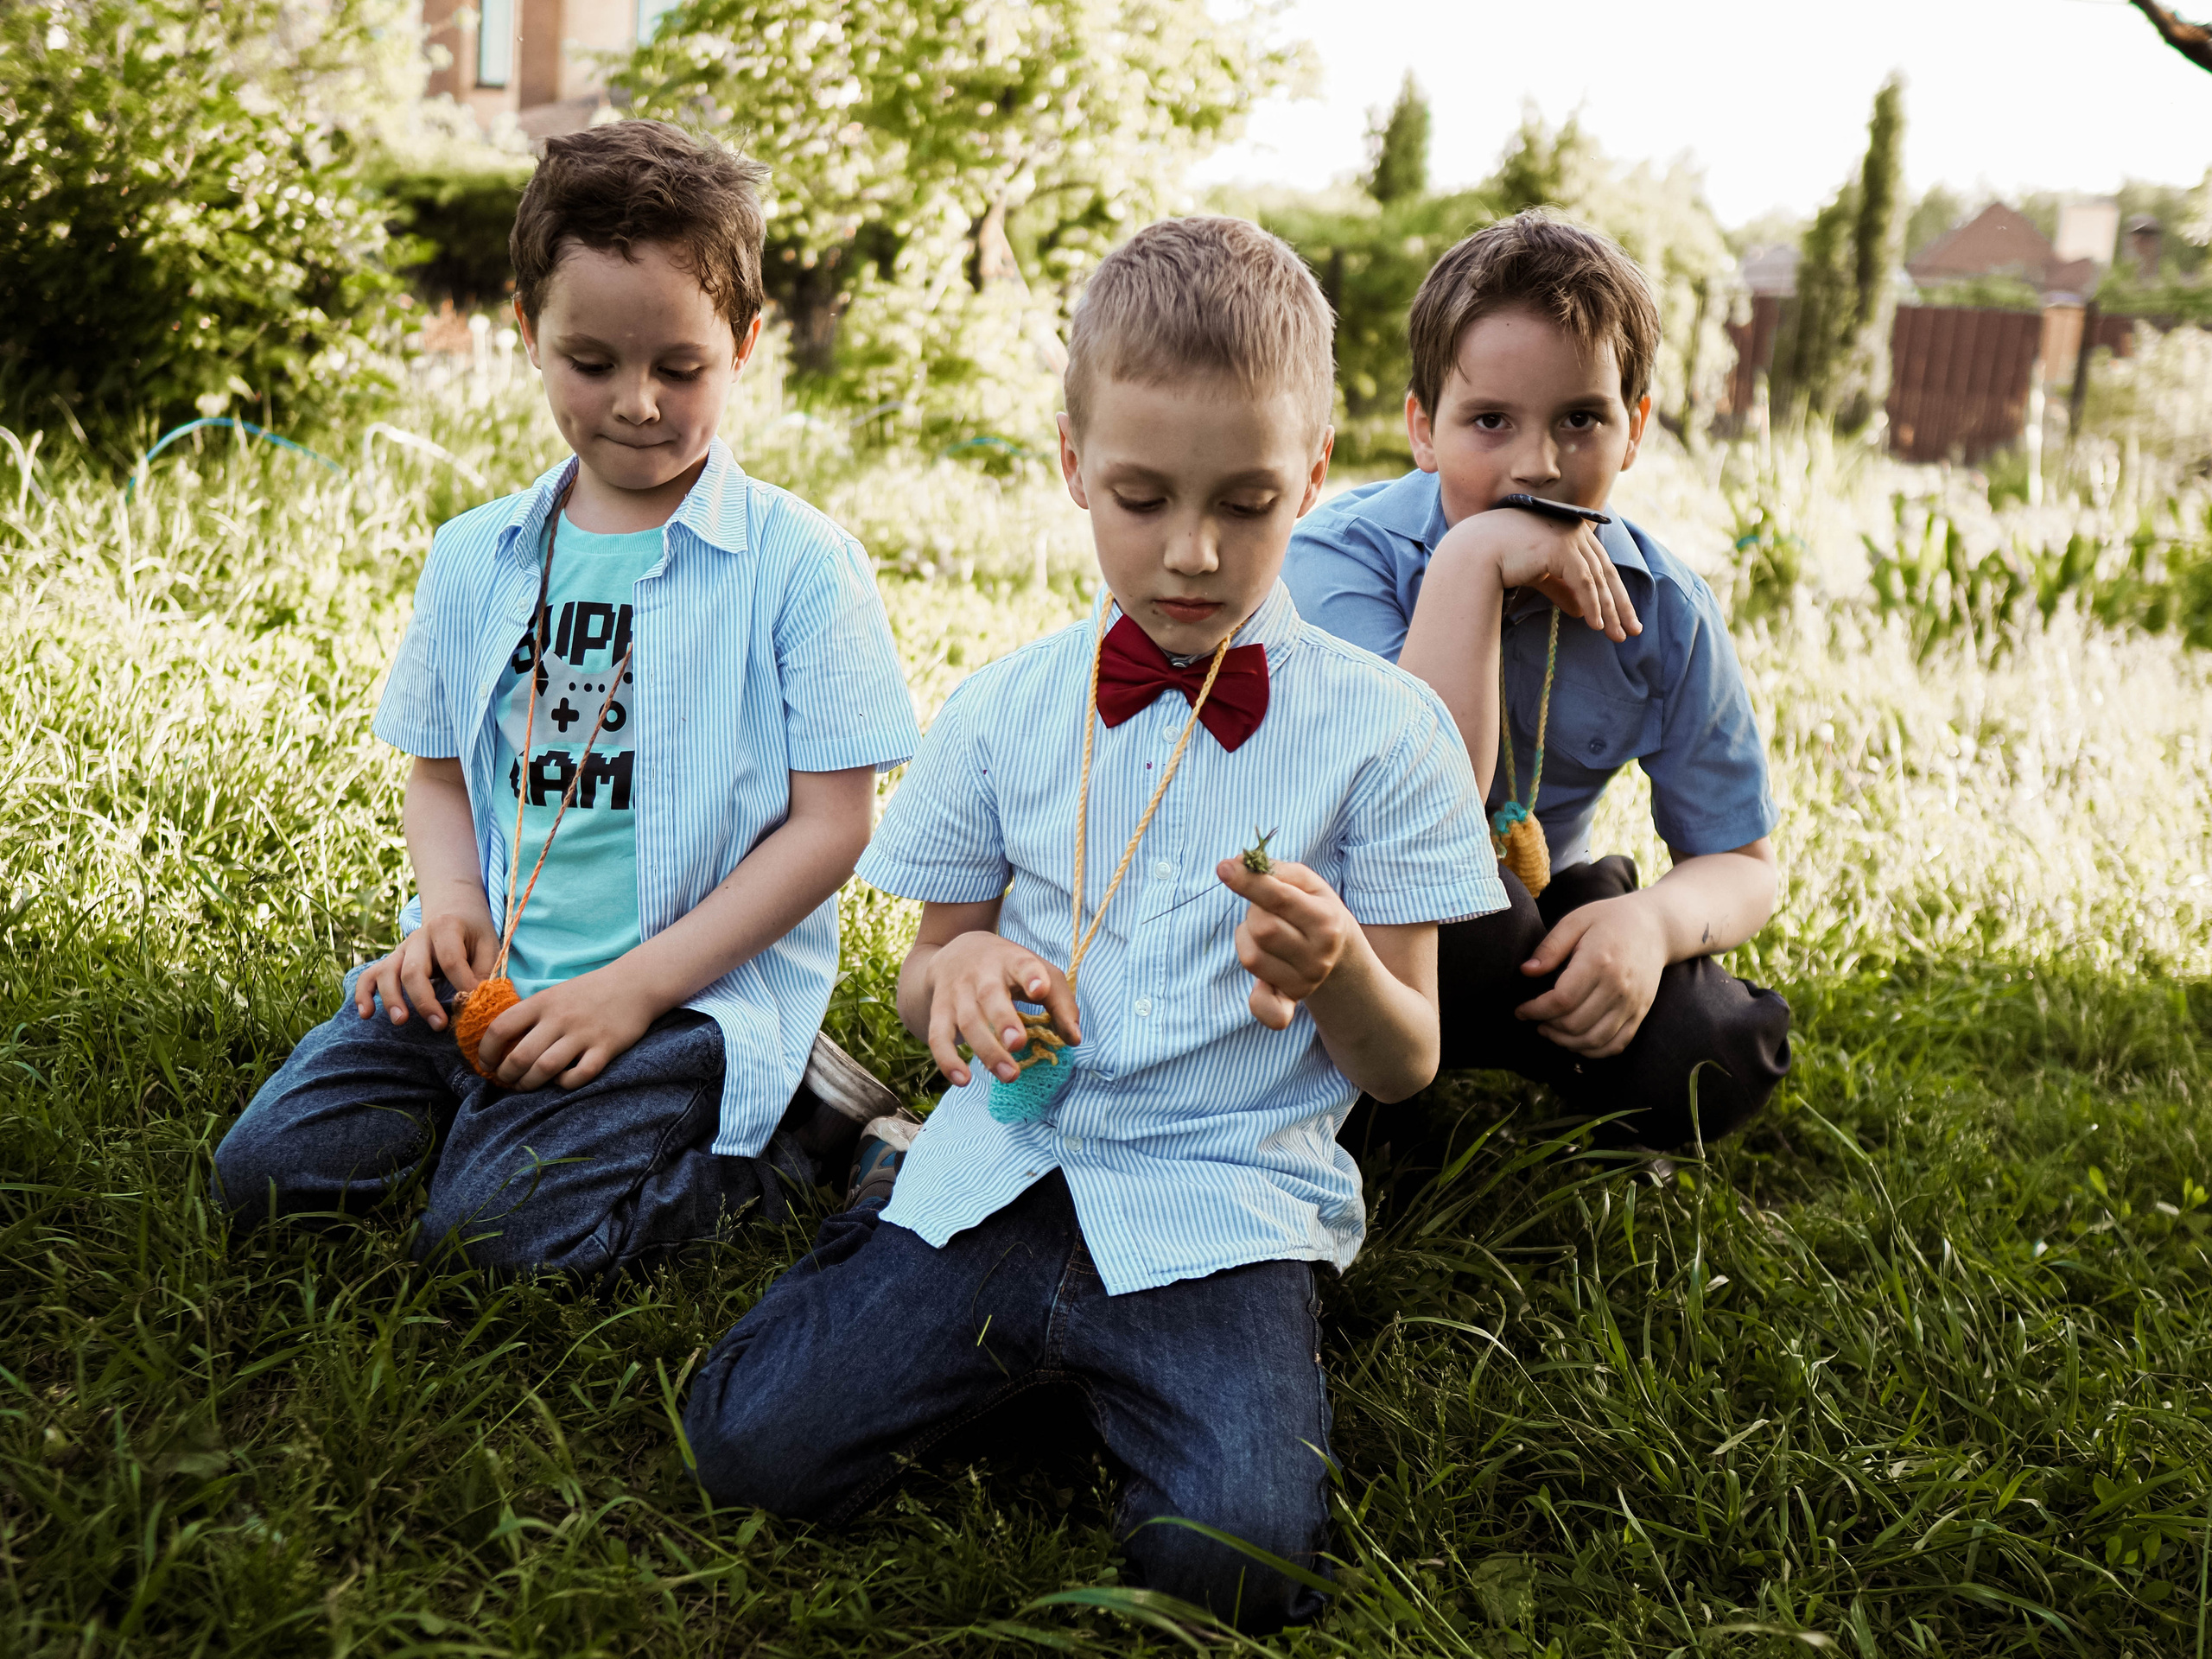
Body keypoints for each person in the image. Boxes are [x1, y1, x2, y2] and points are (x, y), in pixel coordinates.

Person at [680, 218, 1508, 1633]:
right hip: (1012, 1153)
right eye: (1140, 496)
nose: (1192, 552)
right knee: (746, 1447)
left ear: (1314, 476)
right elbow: (927, 971)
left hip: (1220, 1202)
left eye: (1246, 503)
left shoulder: (1387, 735)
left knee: (1237, 1564)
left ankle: (1077, 1365)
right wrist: (964, 976)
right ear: (1073, 467)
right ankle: (906, 1207)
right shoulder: (1010, 708)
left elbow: (1406, 1058)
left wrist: (1342, 970)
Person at [213, 121, 920, 1274]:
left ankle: (800, 1143)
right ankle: (501, 1116)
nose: (638, 403)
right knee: (268, 1177)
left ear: (744, 344)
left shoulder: (797, 561)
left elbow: (834, 825)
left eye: (680, 368)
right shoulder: (477, 556)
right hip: (480, 983)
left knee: (489, 1238)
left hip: (684, 995)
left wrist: (631, 993)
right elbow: (439, 771)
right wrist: (446, 907)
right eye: (592, 363)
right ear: (528, 332)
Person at [1285, 209, 1790, 1154]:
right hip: (1355, 914)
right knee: (1460, 896)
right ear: (1421, 429)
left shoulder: (1664, 607)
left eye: (1580, 419)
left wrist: (1648, 926)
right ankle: (1376, 1092)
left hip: (1527, 929)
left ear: (1633, 429)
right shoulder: (1333, 562)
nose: (1537, 464)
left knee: (1715, 1050)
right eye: (1489, 421)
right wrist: (1472, 560)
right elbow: (1420, 806)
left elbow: (1745, 869)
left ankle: (1535, 1026)